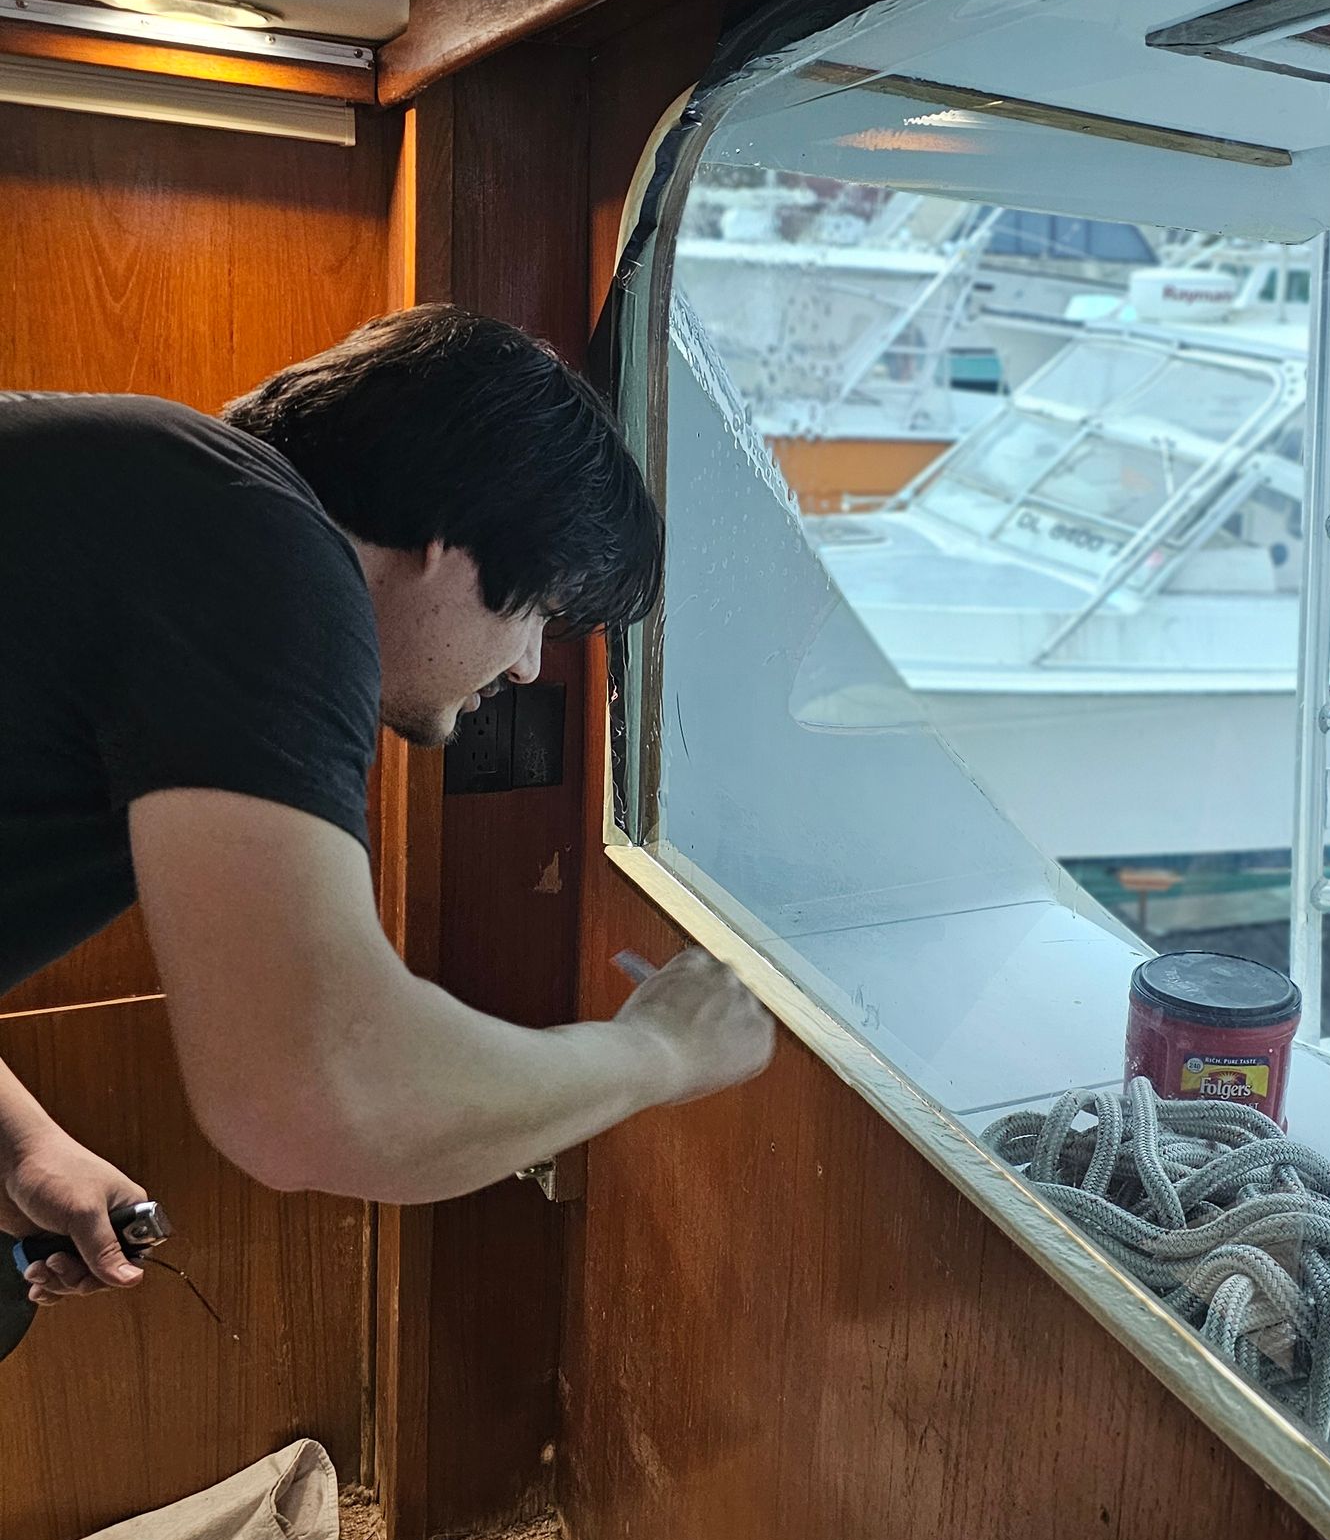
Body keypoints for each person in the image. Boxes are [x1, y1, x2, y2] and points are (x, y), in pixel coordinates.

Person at [0, 306, 773, 1308]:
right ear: (450, 539)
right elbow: (318, 1096)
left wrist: (25, 1148)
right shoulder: (259, 542)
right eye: (536, 607)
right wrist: (664, 1047)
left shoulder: (165, 509)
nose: (531, 662)